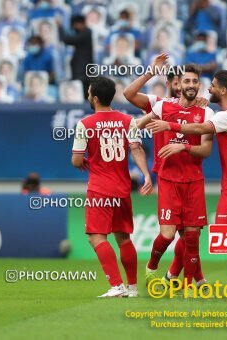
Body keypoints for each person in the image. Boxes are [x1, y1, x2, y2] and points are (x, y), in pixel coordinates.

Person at [146, 70, 227, 296]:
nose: (207, 89)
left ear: (222, 90)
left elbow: (201, 128)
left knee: (222, 233)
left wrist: (170, 127)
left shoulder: (226, 115)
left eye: (212, 86)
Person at [124, 54, 210, 288]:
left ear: (198, 85)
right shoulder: (160, 104)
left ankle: (187, 280)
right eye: (183, 81)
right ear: (176, 85)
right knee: (172, 234)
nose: (187, 85)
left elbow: (205, 147)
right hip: (168, 177)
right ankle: (160, 270)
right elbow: (130, 103)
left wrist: (180, 140)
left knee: (190, 236)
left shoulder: (205, 111)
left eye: (194, 82)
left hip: (193, 179)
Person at [71, 76, 153, 298]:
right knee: (124, 238)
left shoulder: (84, 124)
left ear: (95, 98)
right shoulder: (128, 121)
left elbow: (77, 161)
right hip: (122, 188)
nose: (88, 96)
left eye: (89, 93)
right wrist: (146, 175)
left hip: (99, 188)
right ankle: (133, 288)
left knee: (96, 237)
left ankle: (116, 285)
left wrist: (89, 162)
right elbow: (136, 149)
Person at [57, 14, 93, 98]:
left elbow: (70, 40)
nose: (75, 28)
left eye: (76, 25)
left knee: (84, 91)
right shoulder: (82, 33)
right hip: (79, 70)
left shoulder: (87, 32)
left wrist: (60, 27)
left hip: (83, 72)